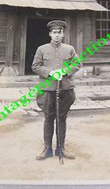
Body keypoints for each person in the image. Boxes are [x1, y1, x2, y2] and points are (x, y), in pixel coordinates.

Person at [31, 20, 81, 160]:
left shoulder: (69, 49)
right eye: (54, 33)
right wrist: (51, 72)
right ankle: (47, 149)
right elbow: (35, 66)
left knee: (62, 118)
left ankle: (61, 148)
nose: (57, 35)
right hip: (47, 89)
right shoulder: (41, 49)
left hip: (65, 88)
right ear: (50, 34)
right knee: (49, 118)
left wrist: (64, 71)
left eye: (60, 33)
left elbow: (77, 64)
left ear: (63, 34)